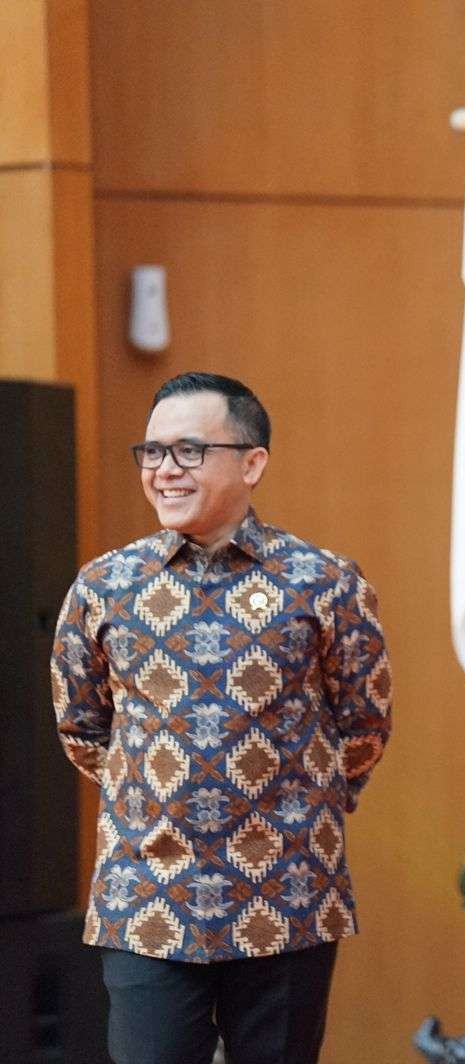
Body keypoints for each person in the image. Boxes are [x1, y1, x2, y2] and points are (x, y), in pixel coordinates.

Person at [50, 372, 392, 1064]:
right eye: (151, 452)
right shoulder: (105, 586)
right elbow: (81, 727)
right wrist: (159, 798)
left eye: (189, 451)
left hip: (288, 894)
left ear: (252, 461)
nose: (164, 470)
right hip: (148, 896)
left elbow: (364, 725)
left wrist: (287, 807)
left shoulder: (324, 582)